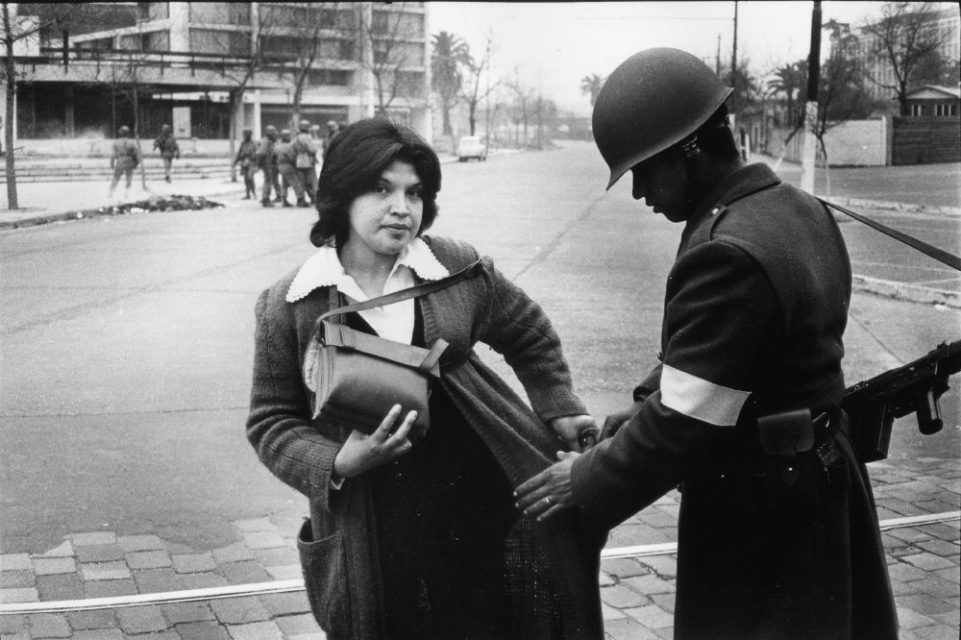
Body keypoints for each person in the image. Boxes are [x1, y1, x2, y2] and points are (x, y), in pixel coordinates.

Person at [515, 47, 898, 640]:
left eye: (645, 170)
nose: (640, 192)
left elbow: (686, 426)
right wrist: (642, 408)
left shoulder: (726, 248)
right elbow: (730, 363)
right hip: (817, 485)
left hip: (763, 512)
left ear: (691, 152)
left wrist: (584, 478)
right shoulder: (798, 208)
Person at [247, 117, 605, 640]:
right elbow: (270, 422)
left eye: (415, 193)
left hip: (481, 506)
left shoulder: (453, 265)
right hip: (375, 528)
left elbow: (528, 330)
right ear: (342, 195)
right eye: (381, 189)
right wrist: (337, 461)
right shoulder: (290, 304)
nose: (401, 208)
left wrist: (559, 404)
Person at [109, 125, 140, 199]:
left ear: (120, 133)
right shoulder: (131, 142)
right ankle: (127, 194)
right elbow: (136, 154)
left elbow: (113, 154)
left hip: (120, 160)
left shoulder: (116, 143)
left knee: (116, 177)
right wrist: (136, 163)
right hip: (130, 160)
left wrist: (112, 163)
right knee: (129, 178)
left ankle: (111, 193)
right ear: (128, 133)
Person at [274, 128, 303, 208]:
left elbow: (274, 157)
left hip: (280, 166)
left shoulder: (277, 146)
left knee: (284, 183)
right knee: (295, 182)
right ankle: (300, 199)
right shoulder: (289, 146)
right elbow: (293, 158)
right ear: (288, 137)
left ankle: (284, 199)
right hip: (288, 165)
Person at [255, 125, 281, 208]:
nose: (275, 135)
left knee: (268, 181)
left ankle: (266, 198)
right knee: (268, 181)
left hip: (269, 164)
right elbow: (261, 153)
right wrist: (258, 165)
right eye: (274, 134)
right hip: (266, 164)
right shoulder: (265, 141)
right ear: (270, 134)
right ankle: (266, 199)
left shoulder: (269, 141)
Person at [293, 119, 319, 205]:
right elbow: (312, 149)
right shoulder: (307, 137)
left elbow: (292, 148)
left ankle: (301, 199)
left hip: (299, 161)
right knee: (312, 180)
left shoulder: (296, 138)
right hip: (308, 161)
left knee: (301, 182)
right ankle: (314, 198)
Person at [233, 128, 258, 200]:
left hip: (252, 163)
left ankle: (254, 193)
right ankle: (247, 194)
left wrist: (256, 163)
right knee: (246, 179)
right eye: (244, 134)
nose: (244, 136)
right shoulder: (243, 143)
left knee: (250, 178)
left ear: (249, 135)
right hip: (244, 163)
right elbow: (239, 153)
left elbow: (257, 154)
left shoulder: (254, 143)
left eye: (246, 134)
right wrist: (235, 162)